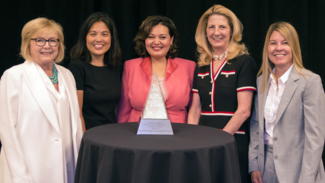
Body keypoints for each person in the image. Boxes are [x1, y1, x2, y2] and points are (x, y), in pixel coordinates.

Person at [0, 17, 83, 183]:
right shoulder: (14, 76)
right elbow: (7, 130)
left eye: (53, 40)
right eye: (40, 40)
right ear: (27, 44)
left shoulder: (67, 75)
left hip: (67, 165)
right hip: (31, 168)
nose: (47, 46)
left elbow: (75, 124)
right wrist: (20, 176)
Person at [188, 5, 258, 183]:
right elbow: (195, 111)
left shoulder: (244, 62)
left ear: (232, 31)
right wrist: (191, 142)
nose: (216, 32)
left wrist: (219, 141)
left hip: (231, 143)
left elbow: (244, 111)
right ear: (204, 32)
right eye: (211, 27)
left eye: (222, 27)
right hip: (202, 143)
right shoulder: (202, 64)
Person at [249, 22, 325, 183]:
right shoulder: (261, 81)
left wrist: (307, 179)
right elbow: (256, 126)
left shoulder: (310, 82)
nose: (278, 48)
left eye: (285, 43)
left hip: (299, 169)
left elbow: (315, 138)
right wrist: (254, 164)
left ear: (294, 47)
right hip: (265, 168)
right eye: (273, 43)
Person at [118, 15, 196, 123]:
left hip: (179, 133)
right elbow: (124, 110)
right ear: (144, 40)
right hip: (136, 134)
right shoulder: (130, 66)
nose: (156, 42)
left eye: (162, 37)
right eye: (151, 37)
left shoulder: (189, 67)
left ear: (171, 40)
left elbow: (195, 109)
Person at [68, 12, 122, 131]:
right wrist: (84, 141)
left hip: (112, 134)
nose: (99, 39)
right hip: (89, 137)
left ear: (111, 38)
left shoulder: (116, 67)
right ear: (85, 37)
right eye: (93, 34)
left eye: (104, 34)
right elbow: (77, 114)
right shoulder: (77, 68)